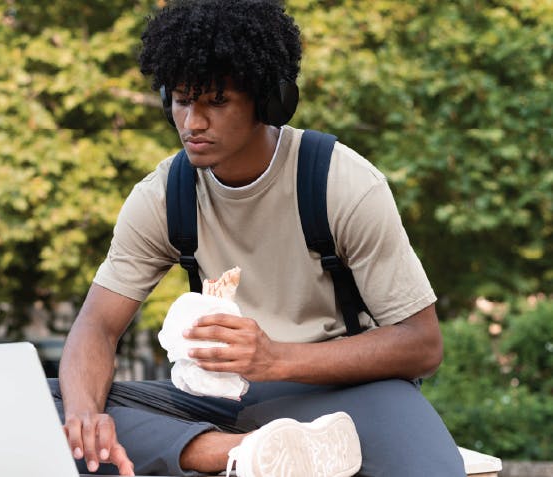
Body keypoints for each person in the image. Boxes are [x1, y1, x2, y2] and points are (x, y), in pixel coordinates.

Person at [52, 1, 466, 476]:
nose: (192, 123)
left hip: (345, 393)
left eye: (216, 101)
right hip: (216, 401)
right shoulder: (162, 196)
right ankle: (238, 452)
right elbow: (97, 328)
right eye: (184, 101)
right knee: (50, 404)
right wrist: (85, 414)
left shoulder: (340, 182)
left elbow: (422, 344)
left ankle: (244, 448)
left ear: (269, 101)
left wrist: (274, 358)